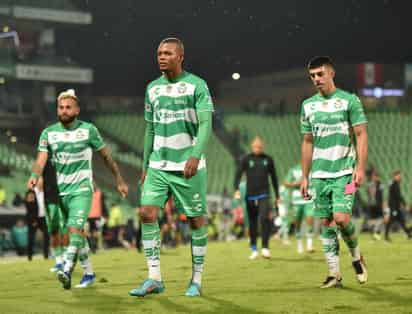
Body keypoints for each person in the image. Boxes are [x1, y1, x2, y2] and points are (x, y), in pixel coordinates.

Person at [128, 37, 213, 298]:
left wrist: (196, 155)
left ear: (180, 57)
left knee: (196, 221)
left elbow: (206, 123)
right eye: (159, 53)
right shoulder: (152, 88)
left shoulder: (196, 85)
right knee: (146, 213)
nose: (161, 57)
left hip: (188, 165)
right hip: (158, 166)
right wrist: (144, 166)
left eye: (167, 53)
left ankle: (196, 280)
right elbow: (150, 129)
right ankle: (154, 278)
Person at [27, 89, 128, 290]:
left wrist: (119, 179)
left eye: (68, 107)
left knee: (74, 228)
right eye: (61, 107)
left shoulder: (88, 130)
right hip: (61, 191)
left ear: (77, 110)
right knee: (77, 233)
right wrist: (34, 175)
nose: (64, 111)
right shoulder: (49, 133)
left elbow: (106, 157)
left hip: (82, 189)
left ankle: (66, 268)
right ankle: (89, 273)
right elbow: (41, 159)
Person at [300, 56, 368, 288]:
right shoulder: (308, 105)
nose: (316, 79)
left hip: (345, 174)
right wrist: (304, 176)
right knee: (327, 222)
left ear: (331, 73)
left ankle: (357, 256)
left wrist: (360, 168)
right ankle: (334, 274)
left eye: (320, 74)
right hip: (319, 176)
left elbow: (361, 135)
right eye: (312, 76)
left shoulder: (349, 100)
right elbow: (307, 142)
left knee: (341, 218)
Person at [234, 136, 279, 259]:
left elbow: (274, 178)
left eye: (259, 146)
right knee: (252, 222)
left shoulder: (268, 159)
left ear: (262, 147)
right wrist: (236, 189)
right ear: (252, 147)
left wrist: (277, 195)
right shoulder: (246, 159)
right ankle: (254, 249)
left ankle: (265, 247)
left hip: (264, 194)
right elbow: (238, 175)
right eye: (255, 146)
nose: (257, 148)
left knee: (264, 218)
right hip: (250, 195)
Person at [284, 164, 315, 254]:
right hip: (297, 200)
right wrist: (295, 183)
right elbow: (285, 183)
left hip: (309, 199)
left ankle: (310, 244)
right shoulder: (293, 169)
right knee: (297, 222)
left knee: (310, 218)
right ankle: (299, 243)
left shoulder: (313, 169)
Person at [384, 170, 412, 241]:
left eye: (400, 176)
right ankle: (386, 236)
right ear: (395, 176)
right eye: (399, 176)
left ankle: (408, 234)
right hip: (394, 207)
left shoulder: (395, 184)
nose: (400, 177)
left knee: (401, 221)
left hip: (396, 207)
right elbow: (397, 196)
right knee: (391, 220)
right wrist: (404, 204)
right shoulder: (394, 184)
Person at [24, 189, 49, 260]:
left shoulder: (45, 192)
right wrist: (33, 220)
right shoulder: (31, 192)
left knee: (46, 236)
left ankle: (46, 255)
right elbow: (28, 207)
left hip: (43, 218)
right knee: (30, 238)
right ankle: (29, 257)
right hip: (33, 219)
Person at [367, 171, 385, 240]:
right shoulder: (370, 184)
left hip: (378, 205)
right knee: (371, 220)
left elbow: (381, 195)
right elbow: (369, 194)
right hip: (371, 205)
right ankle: (374, 233)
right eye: (373, 176)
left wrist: (383, 204)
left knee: (380, 218)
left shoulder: (380, 184)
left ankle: (377, 232)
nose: (374, 178)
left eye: (375, 176)